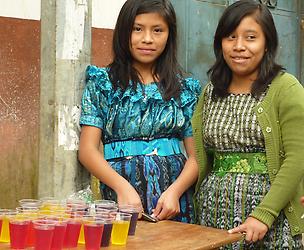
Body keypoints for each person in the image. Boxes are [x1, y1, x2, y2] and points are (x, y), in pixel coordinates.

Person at [192, 0, 304, 249]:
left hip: (270, 219)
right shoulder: (211, 92)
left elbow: (297, 157)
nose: (239, 46)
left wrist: (264, 214)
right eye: (230, 37)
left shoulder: (286, 88)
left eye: (251, 37)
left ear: (267, 44)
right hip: (213, 217)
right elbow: (201, 157)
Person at [78, 0, 201, 223]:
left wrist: (175, 192)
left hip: (175, 201)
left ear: (169, 35)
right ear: (124, 31)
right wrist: (122, 188)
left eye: (157, 30)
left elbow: (196, 156)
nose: (147, 39)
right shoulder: (104, 84)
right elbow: (87, 150)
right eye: (137, 29)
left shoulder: (184, 89)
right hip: (121, 200)